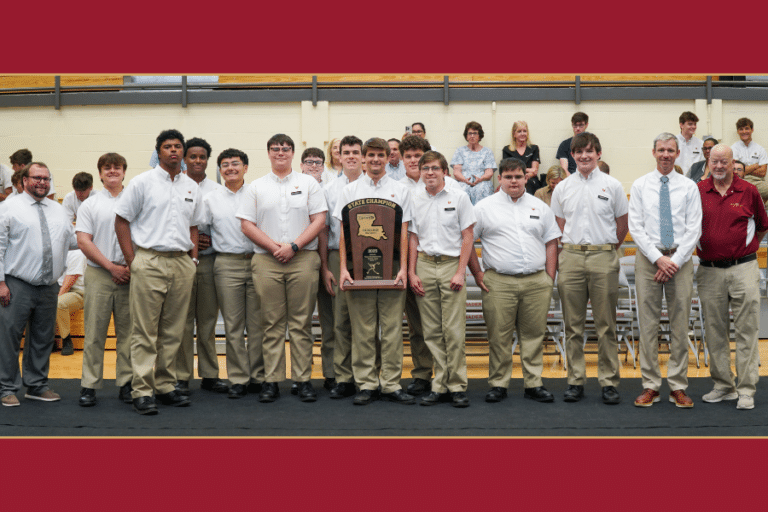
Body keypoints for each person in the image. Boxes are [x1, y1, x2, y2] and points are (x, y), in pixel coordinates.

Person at [115, 129, 203, 415]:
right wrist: (132, 261)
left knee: (173, 331)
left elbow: (193, 226)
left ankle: (165, 385)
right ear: (159, 151)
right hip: (149, 260)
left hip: (181, 262)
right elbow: (121, 221)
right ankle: (142, 389)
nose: (174, 151)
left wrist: (193, 259)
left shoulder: (191, 186)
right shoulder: (142, 182)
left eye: (178, 146)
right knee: (144, 331)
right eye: (168, 147)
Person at [237, 134, 327, 404]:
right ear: (268, 153)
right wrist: (276, 247)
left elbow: (319, 219)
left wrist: (294, 246)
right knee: (272, 324)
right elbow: (247, 225)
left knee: (301, 324)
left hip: (302, 258)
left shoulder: (308, 183)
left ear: (292, 153)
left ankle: (302, 380)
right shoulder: (255, 187)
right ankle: (272, 381)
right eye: (275, 149)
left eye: (285, 149)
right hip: (267, 260)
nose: (280, 153)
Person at [473, 158, 560, 404]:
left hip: (536, 282)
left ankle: (534, 383)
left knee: (533, 335)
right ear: (499, 178)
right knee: (499, 336)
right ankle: (499, 384)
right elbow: (468, 241)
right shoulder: (483, 207)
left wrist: (549, 278)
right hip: (498, 282)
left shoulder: (540, 207)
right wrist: (478, 273)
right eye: (508, 176)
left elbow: (552, 242)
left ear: (526, 178)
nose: (514, 181)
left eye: (518, 176)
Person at [551, 132, 628, 405]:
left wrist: (606, 251)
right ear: (572, 156)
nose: (584, 156)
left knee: (606, 325)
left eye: (589, 151)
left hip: (603, 257)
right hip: (570, 257)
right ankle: (575, 381)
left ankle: (609, 382)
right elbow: (558, 226)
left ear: (598, 154)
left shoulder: (613, 186)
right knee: (573, 326)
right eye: (579, 152)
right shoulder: (562, 188)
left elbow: (622, 225)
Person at [335, 137, 413, 405]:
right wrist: (343, 268)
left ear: (389, 157)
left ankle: (391, 383)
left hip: (391, 266)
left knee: (391, 329)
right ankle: (366, 383)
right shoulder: (349, 191)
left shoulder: (401, 190)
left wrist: (403, 268)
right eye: (372, 155)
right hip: (358, 268)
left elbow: (405, 232)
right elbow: (343, 234)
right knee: (364, 329)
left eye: (382, 155)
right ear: (364, 158)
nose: (377, 159)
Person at [628, 132, 702, 408]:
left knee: (679, 324)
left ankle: (678, 386)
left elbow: (694, 228)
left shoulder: (688, 187)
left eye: (671, 150)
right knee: (647, 325)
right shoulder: (639, 185)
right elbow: (635, 226)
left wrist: (674, 261)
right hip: (649, 259)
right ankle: (650, 385)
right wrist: (658, 258)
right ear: (653, 152)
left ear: (678, 153)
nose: (666, 155)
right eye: (661, 150)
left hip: (680, 261)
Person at [698, 144, 768, 410]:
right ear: (709, 162)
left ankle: (746, 389)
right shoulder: (699, 191)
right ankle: (723, 386)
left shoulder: (749, 191)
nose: (718, 166)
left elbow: (762, 226)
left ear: (732, 163)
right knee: (715, 331)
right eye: (713, 162)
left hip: (744, 268)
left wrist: (744, 248)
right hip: (709, 270)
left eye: (723, 162)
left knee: (747, 330)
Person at [0, 162, 76, 407]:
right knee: (8, 337)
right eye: (36, 178)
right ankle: (7, 388)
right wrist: (0, 282)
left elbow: (72, 241)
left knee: (42, 338)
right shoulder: (8, 208)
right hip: (16, 283)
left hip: (49, 286)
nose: (42, 182)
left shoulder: (58, 209)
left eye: (46, 178)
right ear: (24, 181)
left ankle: (37, 385)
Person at [408, 151, 476, 407]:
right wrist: (413, 271)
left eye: (435, 168)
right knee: (432, 332)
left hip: (451, 266)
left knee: (454, 331)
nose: (430, 173)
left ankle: (457, 385)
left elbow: (467, 236)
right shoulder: (415, 198)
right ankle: (439, 385)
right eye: (425, 168)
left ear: (444, 171)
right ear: (421, 172)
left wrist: (461, 272)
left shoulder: (459, 197)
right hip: (425, 265)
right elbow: (413, 238)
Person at [204, 148, 265, 399]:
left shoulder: (257, 194)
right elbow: (201, 231)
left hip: (258, 262)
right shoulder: (210, 198)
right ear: (219, 170)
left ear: (246, 168)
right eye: (225, 164)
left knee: (258, 324)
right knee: (233, 325)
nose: (230, 168)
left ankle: (258, 376)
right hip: (226, 264)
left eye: (236, 164)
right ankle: (238, 378)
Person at [76, 152, 133, 407]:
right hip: (100, 273)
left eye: (117, 167)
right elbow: (83, 241)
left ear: (124, 171)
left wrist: (130, 267)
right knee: (95, 333)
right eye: (107, 168)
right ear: (99, 173)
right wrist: (111, 267)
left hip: (130, 274)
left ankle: (127, 383)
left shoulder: (135, 200)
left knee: (129, 334)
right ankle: (89, 385)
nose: (112, 171)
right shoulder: (89, 204)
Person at [175, 137, 227, 396]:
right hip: (180, 261)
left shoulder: (218, 192)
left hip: (208, 261)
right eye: (192, 156)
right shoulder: (174, 187)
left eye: (202, 157)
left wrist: (210, 240)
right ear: (184, 159)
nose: (197, 161)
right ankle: (181, 376)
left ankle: (209, 374)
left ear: (208, 160)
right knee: (183, 322)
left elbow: (225, 227)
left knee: (207, 321)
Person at [321, 135, 365, 400]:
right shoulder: (329, 190)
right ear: (338, 156)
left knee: (367, 322)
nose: (350, 156)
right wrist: (326, 266)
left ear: (362, 155)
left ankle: (368, 376)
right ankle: (344, 377)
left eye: (355, 152)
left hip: (369, 258)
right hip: (338, 257)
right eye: (345, 152)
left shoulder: (373, 186)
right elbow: (324, 231)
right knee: (340, 320)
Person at [398, 135, 435, 396]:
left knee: (435, 324)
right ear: (401, 159)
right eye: (408, 156)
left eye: (418, 155)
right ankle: (421, 374)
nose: (413, 160)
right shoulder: (394, 187)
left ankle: (443, 373)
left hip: (430, 260)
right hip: (398, 262)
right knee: (415, 324)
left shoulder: (444, 186)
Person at [300, 147, 336, 391]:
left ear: (324, 166)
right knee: (300, 322)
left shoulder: (331, 190)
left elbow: (325, 230)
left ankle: (331, 373)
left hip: (323, 256)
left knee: (330, 320)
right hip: (296, 258)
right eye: (309, 162)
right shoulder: (291, 188)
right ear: (301, 164)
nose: (313, 166)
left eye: (318, 162)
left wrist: (325, 266)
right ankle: (301, 376)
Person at [451, 121, 497, 205]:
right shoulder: (459, 151)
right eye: (470, 133)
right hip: (463, 181)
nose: (472, 136)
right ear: (466, 136)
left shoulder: (487, 152)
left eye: (475, 133)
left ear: (480, 136)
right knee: (462, 189)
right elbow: (456, 172)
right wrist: (465, 180)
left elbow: (489, 172)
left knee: (482, 188)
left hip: (482, 180)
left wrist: (480, 179)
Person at [55, 249, 86, 356]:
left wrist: (53, 299)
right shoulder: (56, 251)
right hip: (57, 288)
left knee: (59, 304)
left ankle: (66, 340)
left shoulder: (77, 253)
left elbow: (69, 281)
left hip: (78, 292)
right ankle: (48, 340)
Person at [501, 121, 542, 194]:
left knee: (529, 184)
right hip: (512, 179)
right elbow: (507, 171)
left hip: (530, 180)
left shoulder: (534, 148)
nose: (522, 134)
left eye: (525, 131)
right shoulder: (507, 150)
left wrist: (520, 174)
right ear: (514, 134)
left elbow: (534, 171)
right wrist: (527, 170)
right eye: (519, 131)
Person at [675, 111, 703, 176]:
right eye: (690, 124)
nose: (693, 127)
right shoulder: (672, 142)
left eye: (695, 124)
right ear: (681, 125)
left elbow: (702, 165)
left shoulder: (701, 144)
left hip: (694, 181)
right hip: (676, 179)